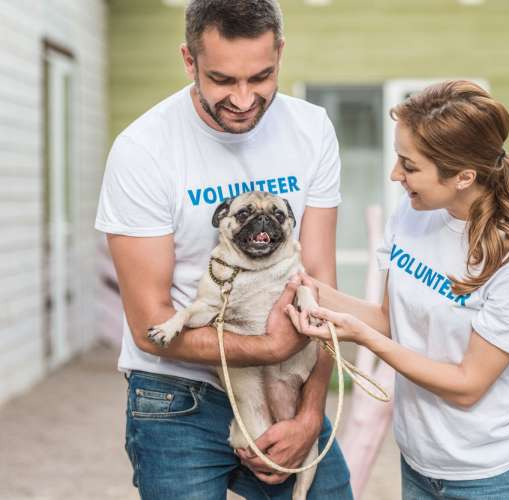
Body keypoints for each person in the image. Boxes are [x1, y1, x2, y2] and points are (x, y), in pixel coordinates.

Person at [95, 1, 353, 498]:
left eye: (261, 77)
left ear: (280, 52)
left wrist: (312, 409)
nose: (242, 98)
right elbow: (152, 328)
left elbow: (321, 286)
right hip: (177, 399)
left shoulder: (312, 129)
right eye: (222, 79)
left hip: (287, 385)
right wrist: (271, 346)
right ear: (189, 61)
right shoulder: (144, 150)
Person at [288, 80, 509, 500]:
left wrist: (364, 339)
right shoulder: (412, 216)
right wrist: (307, 290)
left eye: (409, 167)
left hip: (490, 475)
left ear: (464, 176)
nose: (396, 175)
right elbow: (391, 320)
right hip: (418, 461)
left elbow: (467, 385)